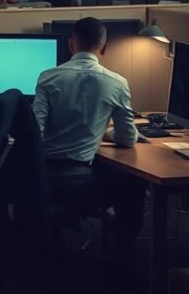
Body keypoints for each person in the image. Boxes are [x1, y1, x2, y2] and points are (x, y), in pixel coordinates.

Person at [33, 17, 145, 258]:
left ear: (71, 45)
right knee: (135, 184)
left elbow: (36, 132)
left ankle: (50, 242)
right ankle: (122, 253)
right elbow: (127, 139)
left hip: (42, 178)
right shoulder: (117, 83)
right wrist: (106, 134)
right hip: (82, 183)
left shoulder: (47, 77)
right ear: (104, 49)